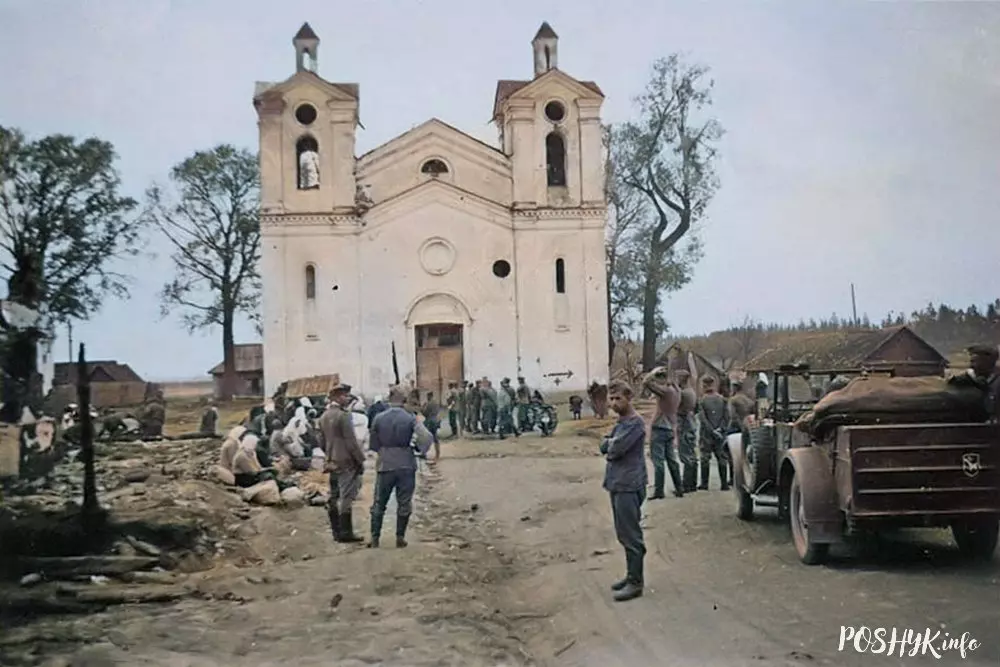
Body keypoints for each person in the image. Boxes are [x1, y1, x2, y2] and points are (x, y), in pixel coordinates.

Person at [368, 387, 434, 548]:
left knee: (379, 502)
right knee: (404, 502)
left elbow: (373, 444)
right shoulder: (410, 418)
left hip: (385, 463)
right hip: (406, 462)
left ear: (389, 399)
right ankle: (400, 537)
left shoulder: (379, 418)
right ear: (403, 400)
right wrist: (420, 450)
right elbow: (426, 437)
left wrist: (383, 450)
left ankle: (375, 538)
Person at [599, 381, 647, 602]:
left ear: (629, 398)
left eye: (618, 398)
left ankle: (636, 582)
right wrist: (609, 444)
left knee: (631, 534)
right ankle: (630, 576)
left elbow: (615, 449)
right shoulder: (622, 422)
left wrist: (609, 445)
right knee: (623, 533)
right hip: (618, 483)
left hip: (629, 484)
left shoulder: (635, 423)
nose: (614, 403)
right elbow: (606, 445)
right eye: (611, 398)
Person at [318, 383, 366, 543]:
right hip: (346, 462)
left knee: (334, 495)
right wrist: (360, 460)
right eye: (345, 396)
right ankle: (346, 532)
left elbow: (321, 441)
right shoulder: (343, 416)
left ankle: (336, 532)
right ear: (337, 397)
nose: (347, 398)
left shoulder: (324, 416)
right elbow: (351, 442)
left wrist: (330, 454)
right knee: (346, 497)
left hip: (331, 461)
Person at [649, 377, 683, 499]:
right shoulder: (677, 392)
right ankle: (679, 488)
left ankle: (659, 491)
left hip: (660, 427)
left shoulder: (666, 391)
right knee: (672, 460)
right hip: (671, 427)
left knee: (658, 462)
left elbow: (647, 382)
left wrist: (653, 374)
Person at [696, 376, 730, 491]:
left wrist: (712, 430)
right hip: (720, 434)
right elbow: (727, 417)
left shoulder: (702, 401)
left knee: (705, 458)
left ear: (704, 385)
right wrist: (720, 428)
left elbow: (703, 419)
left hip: (707, 435)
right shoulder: (722, 400)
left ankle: (704, 484)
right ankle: (724, 484)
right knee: (722, 457)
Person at [956, 344, 1000, 421]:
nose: (971, 366)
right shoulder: (974, 382)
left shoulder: (997, 384)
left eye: (974, 362)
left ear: (987, 362)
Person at [675, 371, 699, 493]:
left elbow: (675, 406)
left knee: (686, 455)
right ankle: (693, 483)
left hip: (684, 424)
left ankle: (686, 484)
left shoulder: (683, 393)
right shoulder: (692, 392)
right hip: (691, 422)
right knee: (692, 454)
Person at [422, 392, 442, 460]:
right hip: (436, 420)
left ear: (429, 396)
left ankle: (424, 453)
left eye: (427, 396)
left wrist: (422, 408)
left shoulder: (429, 403)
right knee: (435, 438)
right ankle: (437, 454)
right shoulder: (436, 403)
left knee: (426, 438)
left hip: (430, 421)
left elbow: (425, 413)